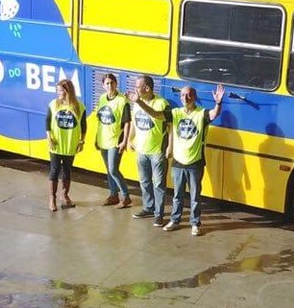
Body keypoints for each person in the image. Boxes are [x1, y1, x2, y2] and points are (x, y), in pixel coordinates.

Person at [130, 83, 225, 236]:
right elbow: (155, 114)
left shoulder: (202, 114)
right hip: (178, 162)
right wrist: (139, 101)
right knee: (177, 196)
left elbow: (214, 114)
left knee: (195, 196)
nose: (185, 98)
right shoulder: (175, 113)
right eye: (182, 95)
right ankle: (175, 220)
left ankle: (195, 223)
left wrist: (218, 103)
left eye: (188, 95)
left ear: (194, 97)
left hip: (195, 163)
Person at [127, 75, 171, 226]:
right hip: (141, 150)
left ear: (147, 88)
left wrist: (138, 101)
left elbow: (155, 115)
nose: (135, 89)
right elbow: (134, 122)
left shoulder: (161, 103)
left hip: (157, 152)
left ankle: (159, 214)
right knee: (144, 182)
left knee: (158, 184)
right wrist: (129, 139)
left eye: (137, 87)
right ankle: (148, 208)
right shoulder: (136, 103)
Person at [45, 78, 86, 211]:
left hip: (70, 144)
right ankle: (52, 199)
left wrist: (81, 141)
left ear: (68, 91)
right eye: (57, 91)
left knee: (67, 170)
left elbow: (84, 126)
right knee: (55, 169)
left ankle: (65, 196)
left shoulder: (79, 107)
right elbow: (47, 122)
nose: (59, 93)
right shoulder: (53, 104)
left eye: (61, 91)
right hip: (56, 143)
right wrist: (49, 138)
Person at [94, 73, 132, 208]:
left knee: (113, 169)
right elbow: (100, 120)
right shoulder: (102, 98)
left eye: (112, 83)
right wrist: (96, 138)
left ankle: (126, 196)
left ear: (116, 84)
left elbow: (127, 122)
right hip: (103, 139)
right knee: (108, 170)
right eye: (107, 83)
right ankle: (113, 195)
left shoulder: (123, 100)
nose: (110, 86)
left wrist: (125, 141)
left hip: (116, 140)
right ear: (103, 85)